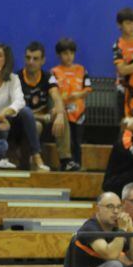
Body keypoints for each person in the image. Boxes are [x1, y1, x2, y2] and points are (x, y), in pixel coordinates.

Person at [19, 42, 69, 171]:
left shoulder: (48, 77)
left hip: (44, 119)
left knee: (61, 115)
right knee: (36, 125)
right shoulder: (17, 78)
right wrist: (42, 117)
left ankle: (66, 160)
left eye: (35, 59)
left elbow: (56, 96)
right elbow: (18, 111)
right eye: (28, 58)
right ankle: (31, 159)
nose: (31, 62)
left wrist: (59, 114)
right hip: (22, 123)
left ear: (43, 61)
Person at [51, 38, 92, 171]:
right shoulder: (54, 72)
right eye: (65, 54)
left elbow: (88, 89)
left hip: (79, 112)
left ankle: (78, 165)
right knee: (67, 139)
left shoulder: (81, 69)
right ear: (59, 55)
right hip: (63, 112)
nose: (68, 57)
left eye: (71, 53)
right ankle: (65, 164)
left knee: (77, 140)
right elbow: (53, 91)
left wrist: (78, 95)